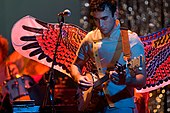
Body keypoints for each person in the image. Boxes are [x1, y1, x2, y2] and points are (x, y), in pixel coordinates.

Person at [70, 0, 146, 113]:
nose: (100, 24)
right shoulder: (89, 38)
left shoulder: (130, 40)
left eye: (104, 18)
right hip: (92, 102)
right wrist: (78, 78)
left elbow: (142, 79)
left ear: (115, 14)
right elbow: (76, 65)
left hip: (121, 105)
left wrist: (126, 79)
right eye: (96, 19)